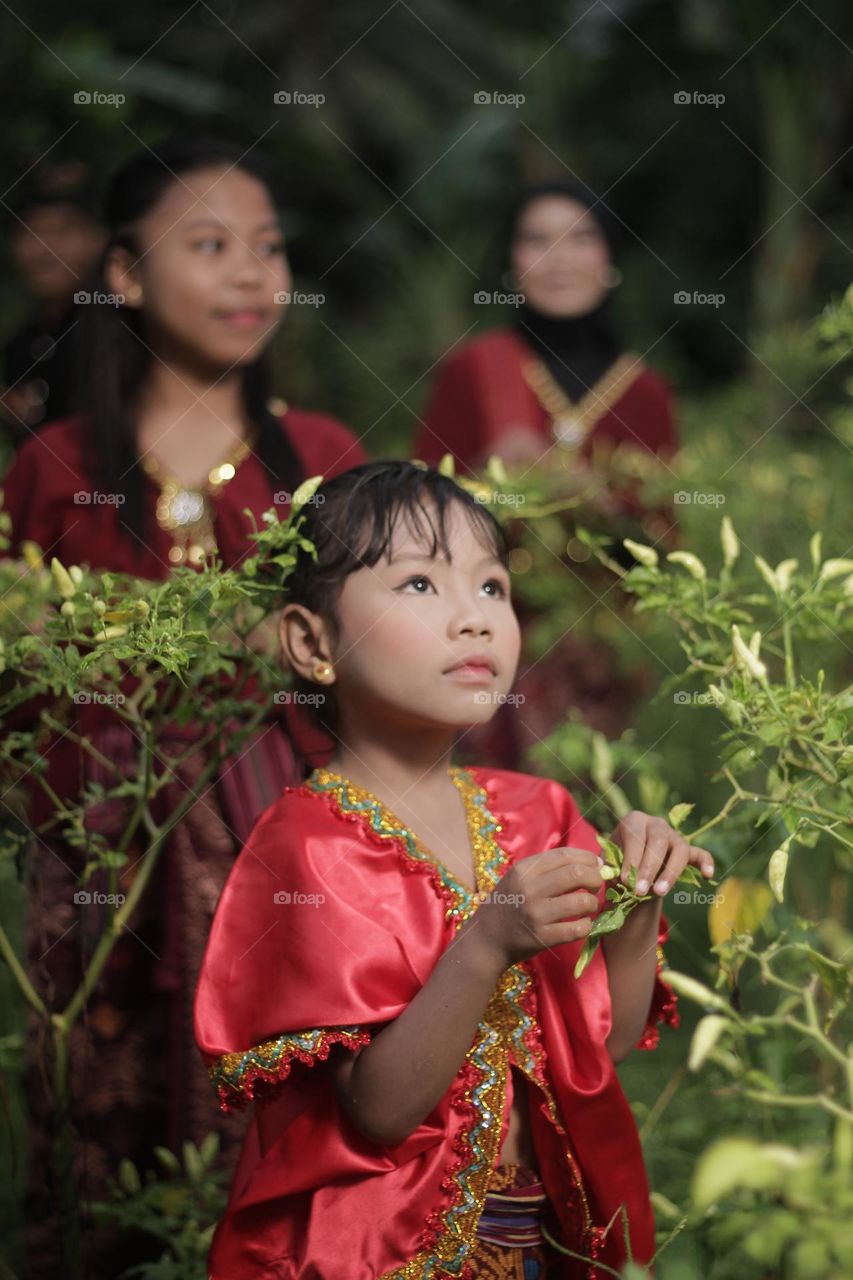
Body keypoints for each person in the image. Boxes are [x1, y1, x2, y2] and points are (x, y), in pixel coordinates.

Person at [194, 460, 714, 1279]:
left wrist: (638, 903)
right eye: (417, 586)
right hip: (380, 1257)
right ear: (312, 642)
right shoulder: (306, 845)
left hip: (533, 1242)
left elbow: (601, 1044)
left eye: (492, 589)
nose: (472, 620)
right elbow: (379, 1110)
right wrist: (486, 941)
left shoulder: (537, 811)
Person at [2, 135, 366, 1277]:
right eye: (209, 246)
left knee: (294, 1178)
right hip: (102, 897)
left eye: (268, 248)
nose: (255, 275)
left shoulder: (323, 458)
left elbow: (380, 679)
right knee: (107, 1181)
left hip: (296, 893)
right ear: (123, 273)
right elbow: (26, 699)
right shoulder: (56, 466)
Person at [413, 179, 680, 766]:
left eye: (579, 238)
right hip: (485, 656)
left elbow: (670, 550)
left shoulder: (647, 394)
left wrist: (599, 505)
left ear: (609, 258)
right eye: (537, 240)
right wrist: (487, 481)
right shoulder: (473, 373)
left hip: (606, 669)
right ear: (512, 261)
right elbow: (412, 525)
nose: (558, 258)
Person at [1, 161, 104, 441]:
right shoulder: (21, 344)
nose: (43, 251)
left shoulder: (125, 330)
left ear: (98, 238)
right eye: (30, 232)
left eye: (62, 231)